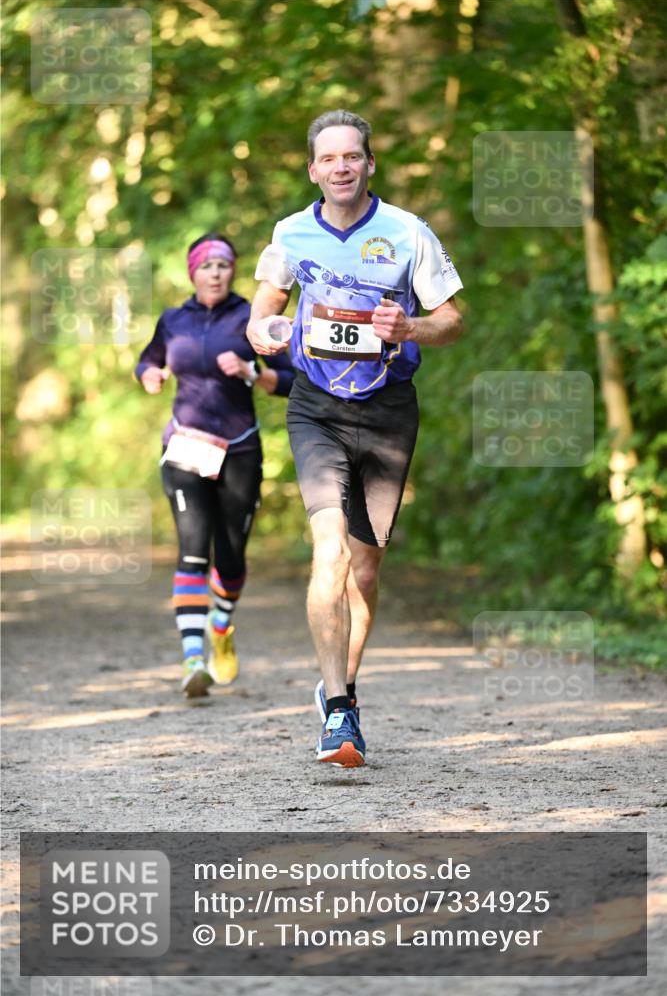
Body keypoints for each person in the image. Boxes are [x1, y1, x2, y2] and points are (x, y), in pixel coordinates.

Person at [247, 110, 464, 768]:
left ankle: (337, 682)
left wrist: (411, 330)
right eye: (328, 158)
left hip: (389, 409)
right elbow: (263, 310)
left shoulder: (406, 233)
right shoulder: (289, 233)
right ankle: (340, 713)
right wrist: (264, 332)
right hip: (315, 407)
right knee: (330, 556)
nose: (340, 166)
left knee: (365, 570)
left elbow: (451, 319)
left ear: (369, 164)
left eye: (352, 156)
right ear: (313, 170)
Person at [136, 233, 294, 698]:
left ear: (233, 271)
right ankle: (191, 658)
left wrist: (254, 374)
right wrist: (150, 373)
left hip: (240, 448)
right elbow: (148, 359)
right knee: (191, 548)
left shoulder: (252, 317)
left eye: (224, 265)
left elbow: (293, 379)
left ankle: (220, 628)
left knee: (230, 556)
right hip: (186, 445)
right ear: (193, 273)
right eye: (207, 266)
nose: (216, 273)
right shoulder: (174, 320)